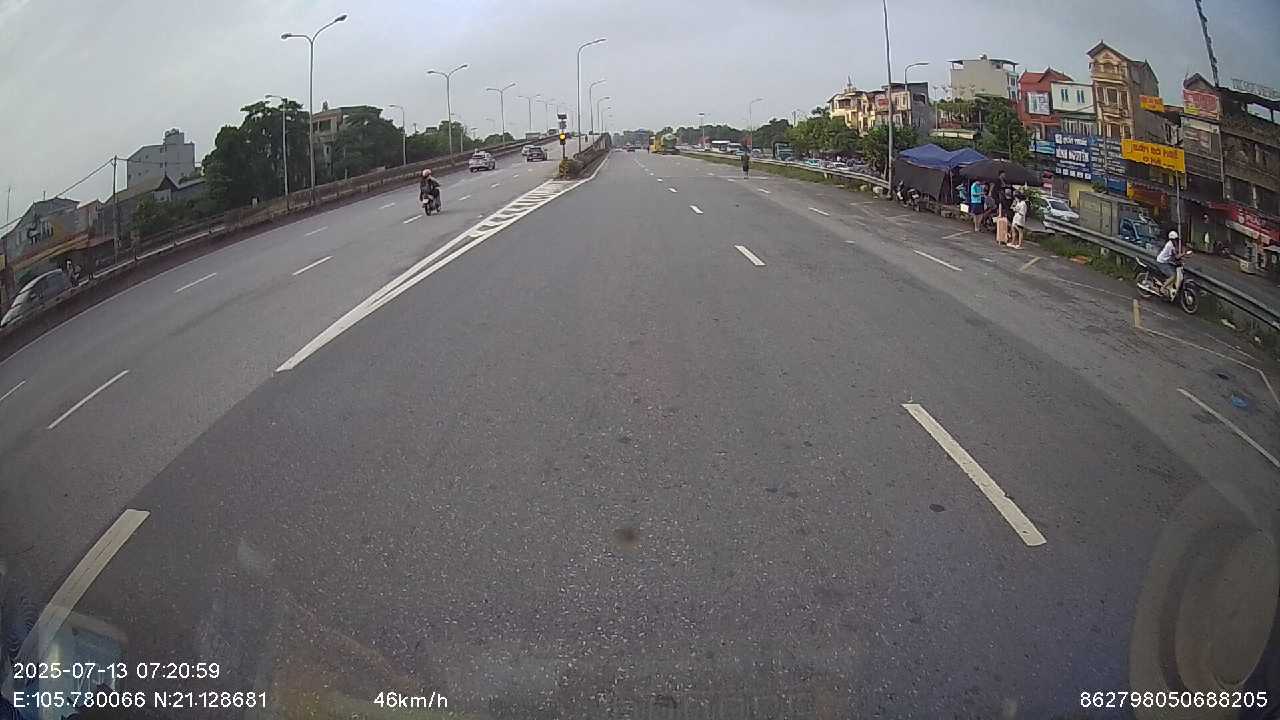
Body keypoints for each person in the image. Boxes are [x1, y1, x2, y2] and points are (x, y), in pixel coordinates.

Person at [1156, 230, 1192, 297]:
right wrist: (1184, 254)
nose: (1176, 241)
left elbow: (1176, 255)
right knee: (1173, 276)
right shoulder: (1169, 245)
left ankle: (1169, 286)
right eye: (1175, 239)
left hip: (1166, 261)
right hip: (1161, 262)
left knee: (1174, 271)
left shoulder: (1172, 244)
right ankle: (1162, 288)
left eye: (1176, 239)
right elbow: (1175, 256)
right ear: (1172, 239)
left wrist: (1183, 257)